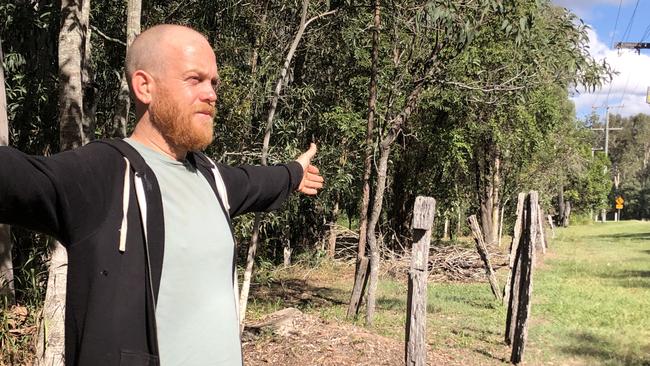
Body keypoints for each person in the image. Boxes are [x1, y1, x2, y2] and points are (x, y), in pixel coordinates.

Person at [0, 24, 324, 365]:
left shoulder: (211, 178)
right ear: (144, 86)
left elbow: (256, 181)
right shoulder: (104, 173)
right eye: (194, 79)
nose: (212, 94)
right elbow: (18, 178)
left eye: (213, 82)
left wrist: (294, 173)